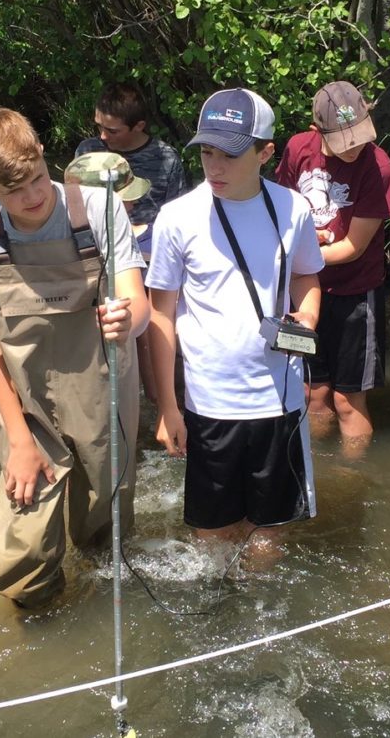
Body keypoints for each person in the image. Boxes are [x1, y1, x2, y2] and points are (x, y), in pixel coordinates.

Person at [0, 108, 150, 610]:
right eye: (14, 191)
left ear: (44, 155)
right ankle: (39, 621)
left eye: (38, 178)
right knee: (23, 546)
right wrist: (20, 441)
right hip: (26, 403)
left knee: (103, 534)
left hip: (102, 389)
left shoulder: (100, 210)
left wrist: (127, 320)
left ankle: (96, 607)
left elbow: (139, 300)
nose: (34, 196)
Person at [146, 88, 324, 562]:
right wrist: (168, 407)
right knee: (212, 533)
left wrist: (306, 315)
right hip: (209, 403)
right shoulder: (176, 219)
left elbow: (307, 274)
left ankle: (260, 616)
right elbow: (160, 314)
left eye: (229, 154)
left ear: (266, 152)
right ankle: (217, 619)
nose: (214, 166)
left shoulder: (294, 209)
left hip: (280, 401)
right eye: (206, 152)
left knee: (269, 533)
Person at [275, 81, 390, 459]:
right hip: (304, 289)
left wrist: (299, 254)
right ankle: (315, 467)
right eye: (345, 142)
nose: (355, 148)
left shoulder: (379, 168)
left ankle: (351, 477)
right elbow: (282, 207)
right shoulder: (298, 149)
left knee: (347, 398)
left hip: (355, 293)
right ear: (317, 132)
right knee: (313, 391)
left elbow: (354, 246)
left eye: (360, 137)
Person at [74, 81, 186, 258]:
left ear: (139, 126)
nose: (103, 136)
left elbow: (177, 216)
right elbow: (76, 206)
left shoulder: (167, 158)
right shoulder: (87, 151)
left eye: (112, 131)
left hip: (150, 251)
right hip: (97, 248)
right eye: (99, 126)